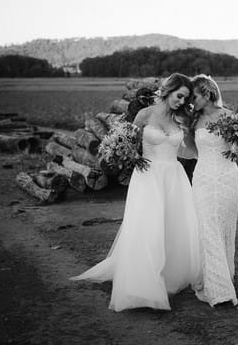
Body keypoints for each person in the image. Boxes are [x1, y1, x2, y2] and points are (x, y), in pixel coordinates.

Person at [71, 73, 202, 312]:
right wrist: (132, 157)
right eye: (179, 96)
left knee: (173, 225)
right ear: (168, 91)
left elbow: (192, 150)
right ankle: (143, 284)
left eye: (185, 98)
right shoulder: (144, 115)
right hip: (148, 178)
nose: (182, 102)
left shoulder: (182, 118)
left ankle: (170, 276)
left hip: (174, 177)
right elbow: (123, 141)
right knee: (147, 226)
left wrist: (214, 149)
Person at [187, 74, 238, 307]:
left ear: (207, 94)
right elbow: (191, 148)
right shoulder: (192, 120)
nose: (192, 101)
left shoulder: (229, 117)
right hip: (203, 177)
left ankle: (223, 275)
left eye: (194, 96)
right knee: (206, 225)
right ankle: (217, 287)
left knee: (224, 225)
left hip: (228, 176)